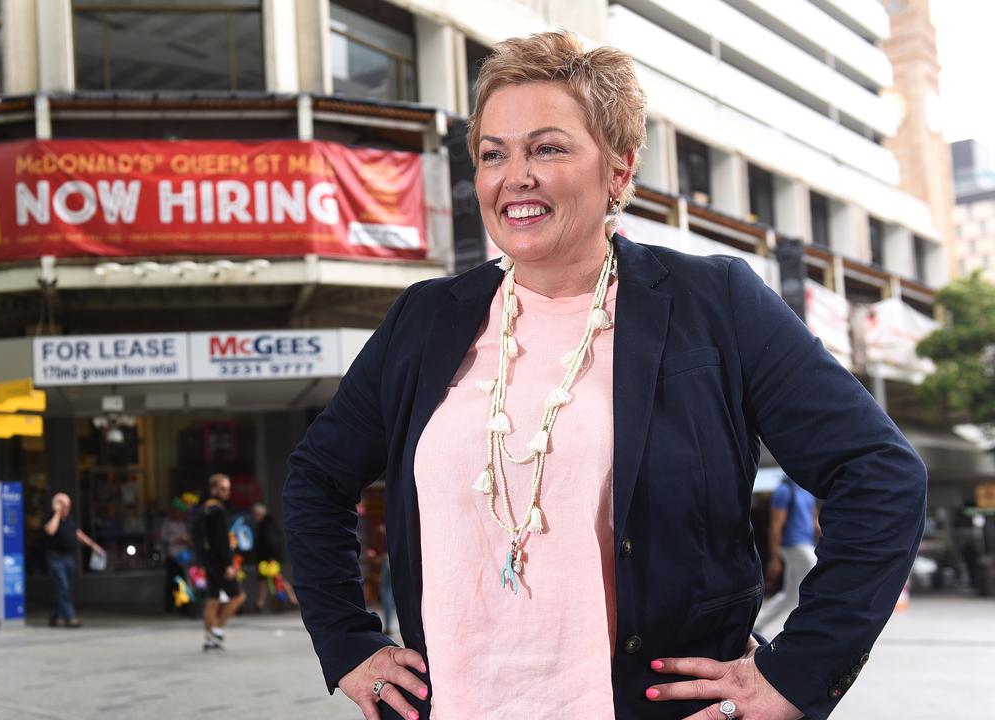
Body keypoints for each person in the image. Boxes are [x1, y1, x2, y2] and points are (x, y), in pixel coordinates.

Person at [282, 30, 927, 720]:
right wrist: (348, 642)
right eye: (493, 154)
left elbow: (881, 474)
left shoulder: (716, 303)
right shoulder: (425, 319)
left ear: (618, 170)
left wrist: (798, 674)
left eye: (548, 148)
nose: (514, 176)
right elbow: (316, 481)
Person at [754, 476, 819, 638]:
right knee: (818, 585)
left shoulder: (807, 491)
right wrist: (774, 558)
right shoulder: (784, 491)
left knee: (791, 595)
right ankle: (812, 629)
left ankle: (758, 624)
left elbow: (814, 523)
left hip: (807, 545)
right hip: (793, 546)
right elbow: (776, 526)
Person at [196, 473, 246, 650]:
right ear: (214, 489)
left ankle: (209, 639)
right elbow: (221, 541)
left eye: (228, 488)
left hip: (208, 560)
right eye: (223, 488)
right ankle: (217, 630)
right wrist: (228, 565)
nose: (227, 492)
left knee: (212, 599)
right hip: (219, 562)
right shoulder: (217, 510)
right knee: (238, 596)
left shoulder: (204, 509)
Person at [43, 492, 104, 628]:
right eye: (63, 504)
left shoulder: (69, 519)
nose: (66, 507)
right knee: (63, 587)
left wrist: (93, 545)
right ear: (56, 505)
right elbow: (50, 531)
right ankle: (70, 617)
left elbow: (78, 533)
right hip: (56, 558)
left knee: (64, 588)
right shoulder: (51, 517)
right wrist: (57, 513)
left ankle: (55, 616)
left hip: (68, 558)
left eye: (68, 505)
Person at [252, 503, 298, 612]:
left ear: (259, 514)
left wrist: (271, 556)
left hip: (269, 558)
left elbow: (270, 542)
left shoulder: (267, 524)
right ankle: (260, 603)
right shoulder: (266, 523)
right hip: (267, 558)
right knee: (265, 581)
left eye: (255, 515)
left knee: (278, 578)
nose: (254, 518)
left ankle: (292, 599)